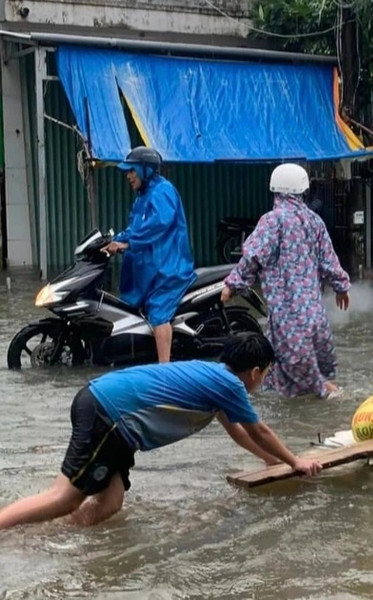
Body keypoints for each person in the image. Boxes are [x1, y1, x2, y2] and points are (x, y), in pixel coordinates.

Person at [0, 333, 322, 530]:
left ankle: (48, 535)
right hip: (108, 414)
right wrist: (295, 462)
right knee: (65, 497)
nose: (262, 380)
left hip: (111, 416)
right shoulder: (230, 385)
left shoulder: (216, 379)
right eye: (265, 374)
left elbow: (239, 433)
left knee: (110, 503)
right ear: (255, 372)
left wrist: (272, 462)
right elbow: (259, 430)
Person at [221, 163, 351, 399]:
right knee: (276, 370)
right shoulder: (315, 221)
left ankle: (330, 395)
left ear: (275, 190)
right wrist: (341, 287)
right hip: (314, 314)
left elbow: (253, 256)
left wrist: (233, 284)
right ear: (303, 188)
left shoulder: (273, 221)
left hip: (288, 315)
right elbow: (329, 260)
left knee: (310, 379)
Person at [101, 146, 196, 363]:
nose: (128, 176)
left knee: (158, 312)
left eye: (132, 171)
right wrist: (114, 241)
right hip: (149, 269)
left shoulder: (163, 192)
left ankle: (164, 369)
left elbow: (157, 225)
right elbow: (135, 227)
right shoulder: (142, 197)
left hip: (168, 270)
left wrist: (127, 244)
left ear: (145, 170)